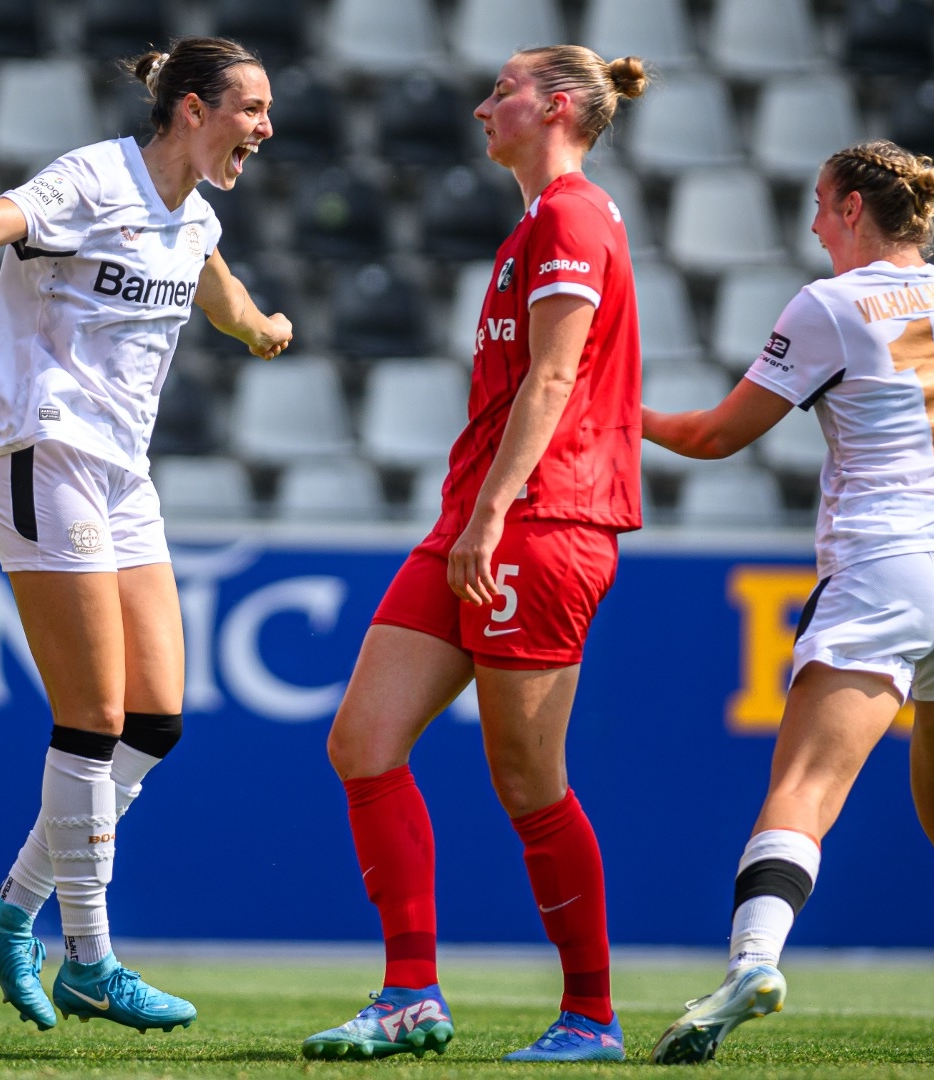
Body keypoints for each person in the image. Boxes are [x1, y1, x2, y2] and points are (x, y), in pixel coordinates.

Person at [0, 36, 291, 1035]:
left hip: (125, 478)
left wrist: (259, 329)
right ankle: (91, 959)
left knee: (155, 721)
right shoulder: (93, 178)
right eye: (251, 108)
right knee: (93, 715)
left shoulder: (194, 216)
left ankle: (10, 911)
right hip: (44, 454)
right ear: (195, 110)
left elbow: (218, 288)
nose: (266, 128)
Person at [639, 141, 934, 1066]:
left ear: (858, 208)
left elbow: (713, 435)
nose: (816, 223)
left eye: (824, 205)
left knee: (803, 790)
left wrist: (616, 413)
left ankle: (752, 961)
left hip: (886, 565)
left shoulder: (830, 304)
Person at [299, 46, 648, 1064]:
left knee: (529, 782)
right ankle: (410, 992)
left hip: (536, 524)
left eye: (504, 89)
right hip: (480, 516)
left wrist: (493, 515)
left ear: (561, 107)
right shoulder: (536, 224)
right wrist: (476, 514)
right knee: (363, 741)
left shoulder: (575, 216)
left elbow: (552, 381)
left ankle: (592, 1014)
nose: (483, 104)